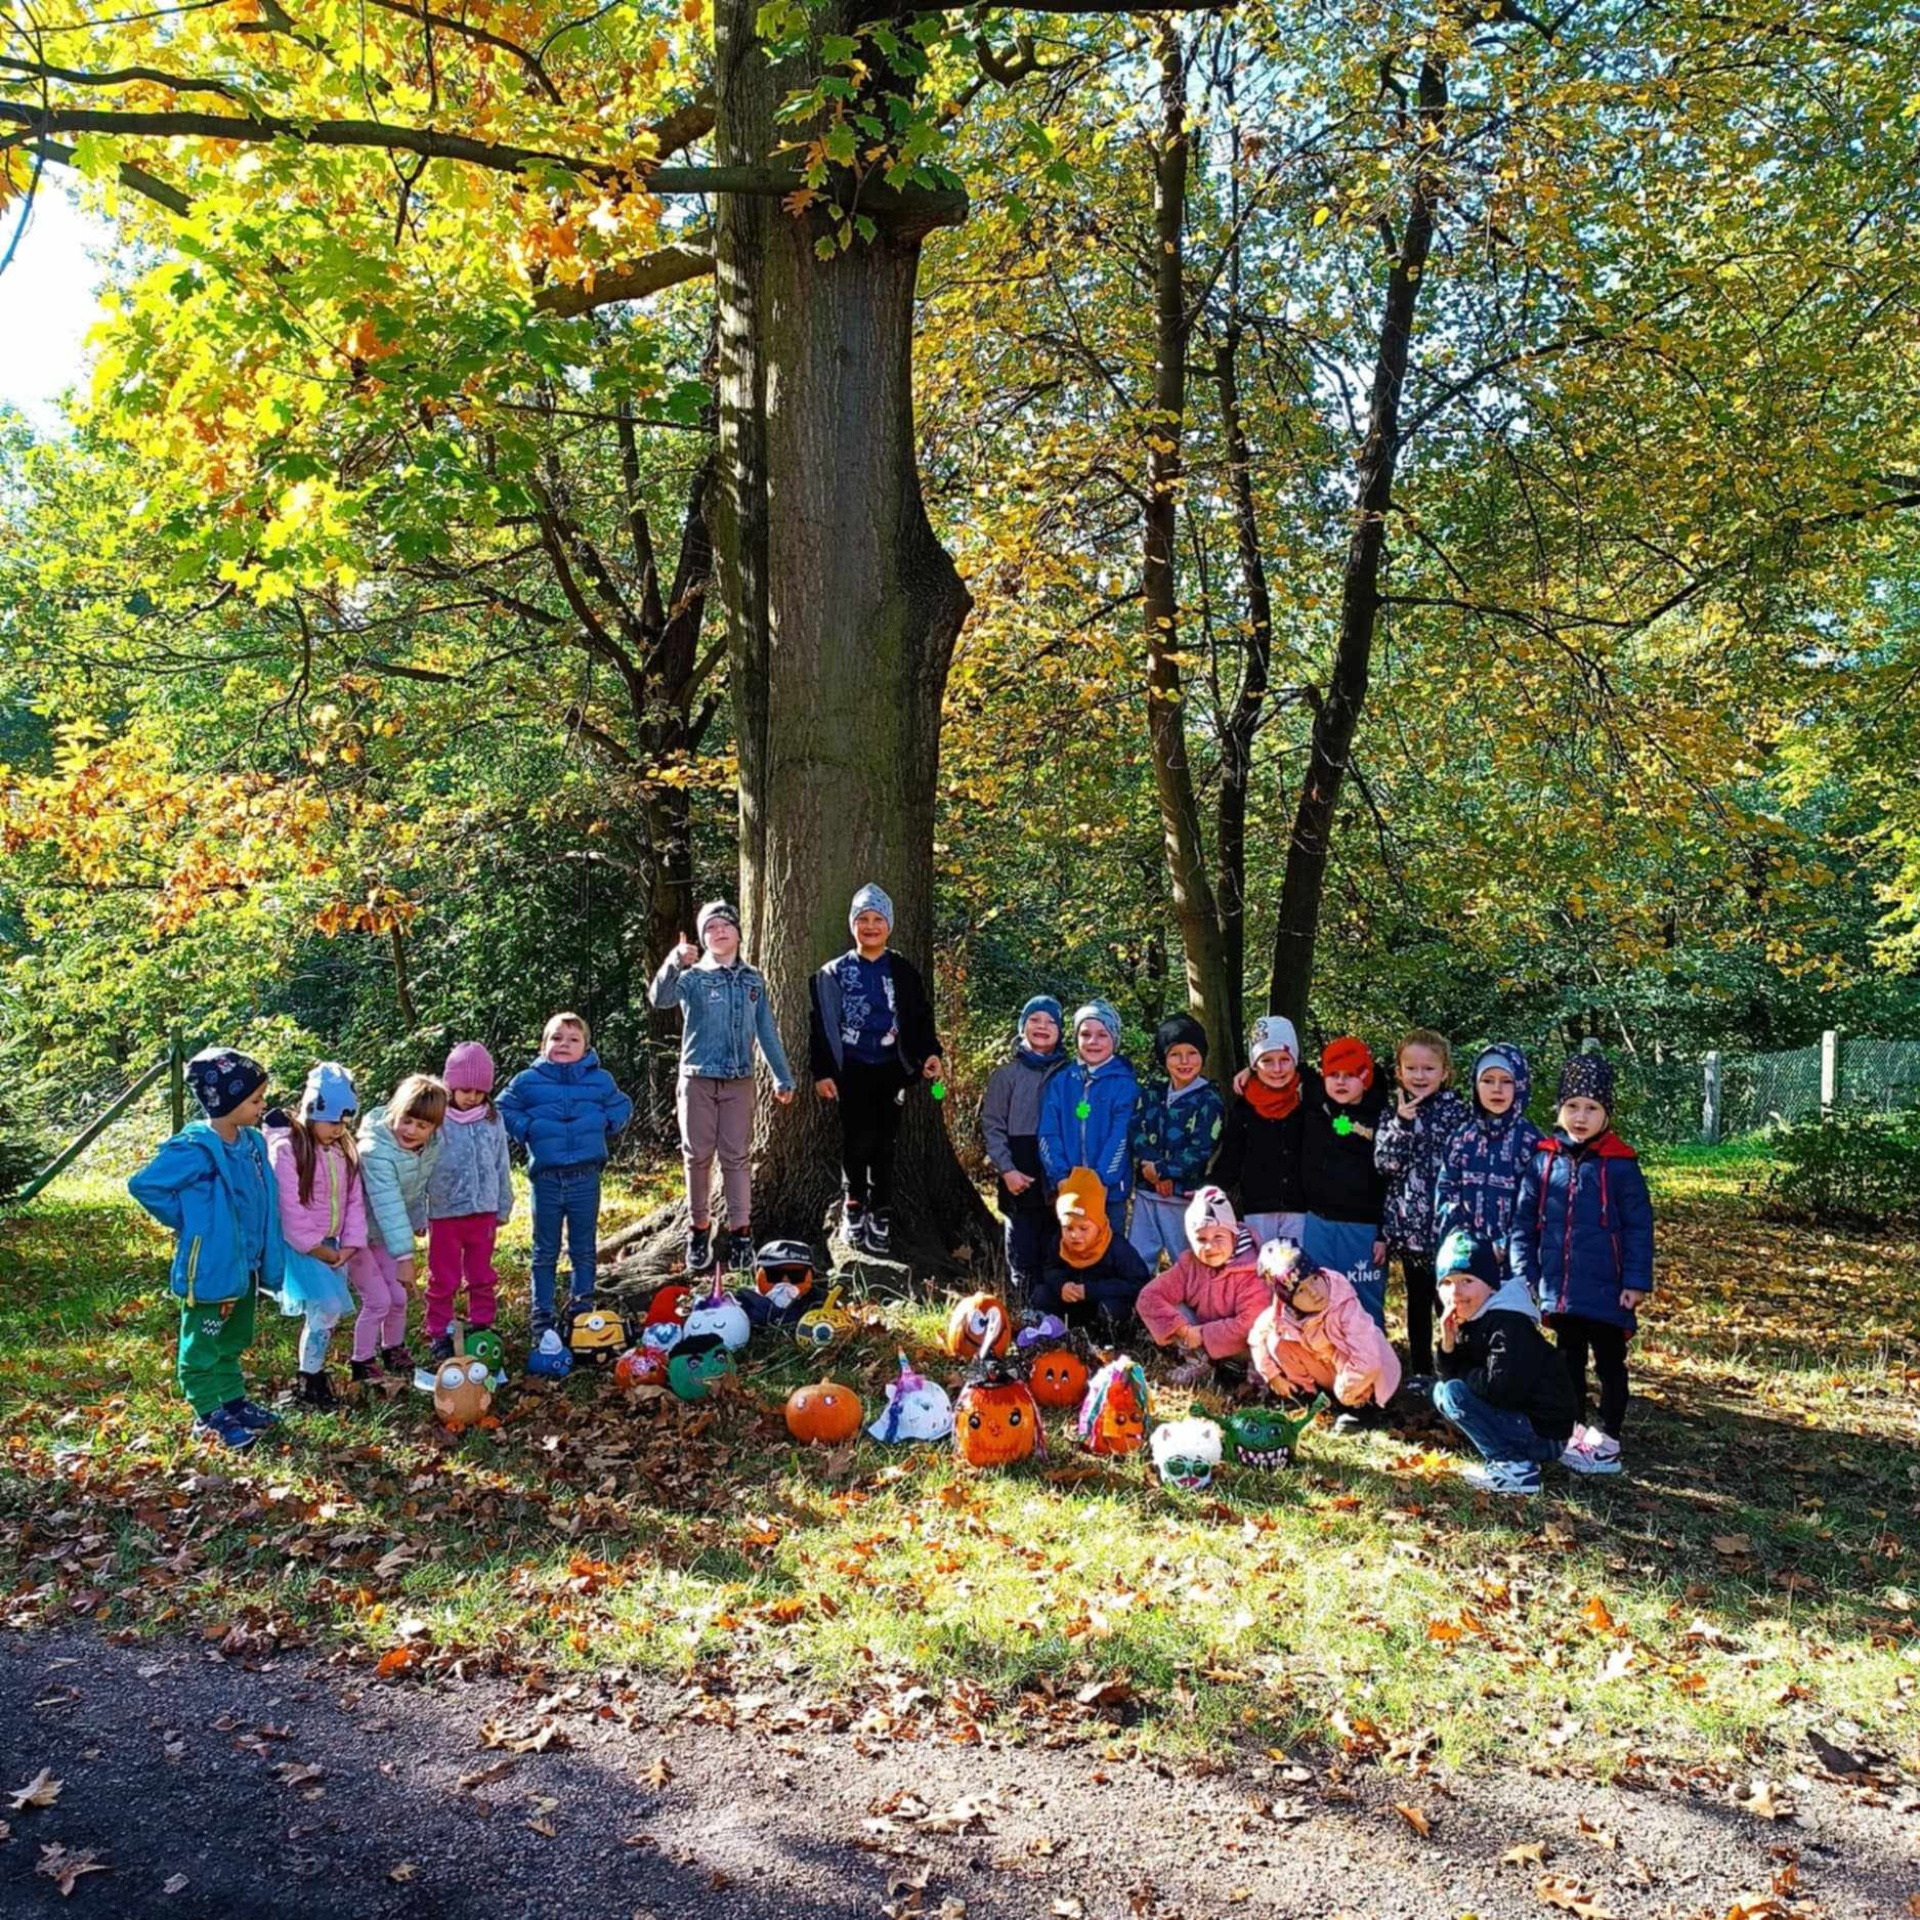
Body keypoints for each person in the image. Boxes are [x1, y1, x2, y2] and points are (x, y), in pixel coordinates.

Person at [127, 1046, 286, 1450]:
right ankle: (206, 1412)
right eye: (254, 1099)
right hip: (211, 1267)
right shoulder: (195, 1149)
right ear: (227, 1100)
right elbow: (145, 1185)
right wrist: (190, 1221)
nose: (262, 1105)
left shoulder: (250, 1143)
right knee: (203, 1340)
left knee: (233, 1336)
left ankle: (231, 1400)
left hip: (242, 1264)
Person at [1510, 1052, 1655, 1477]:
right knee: (1566, 1360)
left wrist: (1635, 1280)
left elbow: (1638, 1227)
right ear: (1558, 1109)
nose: (1580, 1116)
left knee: (1610, 1363)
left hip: (1609, 1288)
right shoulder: (1543, 1159)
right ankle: (1572, 1430)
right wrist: (1527, 1274)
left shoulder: (1622, 1165)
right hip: (1561, 1287)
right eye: (1572, 1106)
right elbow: (1523, 1222)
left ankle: (1608, 1436)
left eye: (1591, 1108)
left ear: (1606, 1113)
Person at [653, 901, 796, 1274]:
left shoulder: (753, 980)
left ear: (737, 932)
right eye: (710, 928)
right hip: (697, 1077)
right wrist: (674, 960)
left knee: (736, 1158)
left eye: (725, 925)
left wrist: (782, 1076)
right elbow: (660, 998)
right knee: (697, 1156)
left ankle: (741, 1235)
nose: (719, 932)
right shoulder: (693, 978)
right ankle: (698, 1229)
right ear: (703, 938)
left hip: (739, 1080)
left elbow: (765, 1030)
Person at [807, 883, 942, 1257]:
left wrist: (930, 1053)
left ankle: (881, 1211)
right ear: (852, 925)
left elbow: (920, 1018)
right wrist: (822, 1072)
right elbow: (819, 1026)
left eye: (878, 919)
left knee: (885, 1145)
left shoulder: (902, 970)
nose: (870, 926)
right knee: (856, 1141)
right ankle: (854, 1205)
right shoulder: (833, 973)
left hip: (890, 1069)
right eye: (863, 919)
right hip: (851, 1069)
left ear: (889, 925)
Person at [499, 1014, 633, 1335]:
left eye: (573, 1040)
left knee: (583, 1247)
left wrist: (605, 1122)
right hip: (545, 1179)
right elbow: (503, 1108)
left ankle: (582, 1310)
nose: (564, 1045)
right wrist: (527, 1128)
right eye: (556, 1038)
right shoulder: (527, 1080)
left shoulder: (600, 1080)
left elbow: (622, 1105)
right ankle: (542, 1313)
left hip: (586, 1177)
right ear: (543, 1045)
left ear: (586, 1048)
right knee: (545, 1249)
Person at [1431, 1228, 1578, 1497]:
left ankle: (1516, 1467)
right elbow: (1447, 1375)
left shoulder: (1509, 1323)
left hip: (1545, 1433)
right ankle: (1510, 1457)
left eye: (1467, 1280)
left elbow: (1502, 1390)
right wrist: (1448, 1344)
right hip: (1522, 1420)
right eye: (1447, 1282)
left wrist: (1461, 1371)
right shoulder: (1470, 1316)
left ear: (1490, 1284)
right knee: (1443, 1391)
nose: (1456, 1292)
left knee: (1453, 1393)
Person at [264, 1061, 366, 1410]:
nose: (339, 1129)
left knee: (327, 1314)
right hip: (305, 1248)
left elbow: (354, 1199)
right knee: (326, 1306)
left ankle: (314, 1375)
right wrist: (315, 1247)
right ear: (312, 1110)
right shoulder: (288, 1149)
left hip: (335, 1246)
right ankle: (308, 1383)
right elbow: (288, 1207)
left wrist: (351, 1244)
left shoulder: (340, 1150)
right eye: (333, 1120)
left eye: (344, 1122)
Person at [1372, 1028, 1471, 1384]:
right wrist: (1402, 1123)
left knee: (1451, 1304)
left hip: (1448, 1231)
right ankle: (1422, 1372)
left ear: (1444, 1072)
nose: (1419, 1076)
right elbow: (1384, 1164)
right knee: (1417, 1304)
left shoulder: (1459, 1113)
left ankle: (1455, 1370)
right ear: (1399, 1071)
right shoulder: (1391, 1115)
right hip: (1411, 1233)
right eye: (1411, 1068)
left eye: (1428, 1069)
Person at [353, 1073, 446, 1381]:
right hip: (358, 1235)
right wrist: (406, 1257)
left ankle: (392, 1347)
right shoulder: (375, 1151)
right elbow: (388, 1203)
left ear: (434, 1128)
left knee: (399, 1298)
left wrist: (418, 1220)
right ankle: (362, 1361)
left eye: (422, 1125)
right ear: (394, 1110)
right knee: (378, 1299)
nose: (412, 1130)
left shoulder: (429, 1146)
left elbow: (416, 1187)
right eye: (407, 1120)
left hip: (384, 1235)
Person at [425, 1043, 514, 1366]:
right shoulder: (436, 1119)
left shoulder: (493, 1118)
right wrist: (420, 1211)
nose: (471, 1097)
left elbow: (501, 1163)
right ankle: (439, 1331)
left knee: (482, 1273)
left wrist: (503, 1202)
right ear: (450, 1085)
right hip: (446, 1213)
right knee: (443, 1277)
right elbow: (423, 1166)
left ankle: (482, 1324)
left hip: (484, 1212)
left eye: (479, 1091)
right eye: (464, 1090)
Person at [1248, 1238, 1401, 1421]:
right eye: (1301, 1291)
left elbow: (1368, 1360)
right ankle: (1308, 1393)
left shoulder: (1344, 1304)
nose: (1314, 1292)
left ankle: (1365, 1406)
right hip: (1330, 1373)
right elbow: (1256, 1337)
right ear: (1288, 1300)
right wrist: (1272, 1375)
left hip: (1367, 1376)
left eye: (1313, 1279)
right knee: (1277, 1341)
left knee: (1350, 1350)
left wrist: (1344, 1394)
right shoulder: (1282, 1312)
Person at [980, 994, 1068, 1303]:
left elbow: (1082, 1115)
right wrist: (1007, 1169)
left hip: (1058, 1174)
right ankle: (1023, 1306)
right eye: (1034, 1020)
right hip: (1019, 1170)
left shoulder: (1069, 1074)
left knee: (1056, 1245)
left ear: (1060, 1031)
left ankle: (1054, 1311)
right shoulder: (1007, 1076)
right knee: (1022, 1245)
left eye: (1050, 1022)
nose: (1042, 1026)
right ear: (1022, 1026)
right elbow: (992, 1125)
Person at [1134, 1185, 1268, 1386]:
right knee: (1169, 1305)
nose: (1210, 1246)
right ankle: (1199, 1360)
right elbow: (1149, 1297)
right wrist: (1184, 1330)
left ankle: (1248, 1375)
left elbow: (1250, 1323)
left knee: (1261, 1333)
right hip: (1198, 1338)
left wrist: (1203, 1334)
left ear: (1233, 1235)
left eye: (1218, 1237)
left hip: (1245, 1347)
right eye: (1201, 1239)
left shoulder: (1252, 1269)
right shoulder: (1190, 1264)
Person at [1299, 1036, 1389, 1330]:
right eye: (1334, 1075)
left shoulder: (1383, 1118)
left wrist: (1384, 1233)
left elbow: (1390, 1179)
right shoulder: (1316, 1101)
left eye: (1350, 1075)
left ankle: (1373, 1360)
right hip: (1318, 1220)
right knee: (1318, 1294)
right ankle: (1322, 1359)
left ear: (1365, 1077)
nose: (1340, 1082)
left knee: (1364, 1298)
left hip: (1362, 1226)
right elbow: (1280, 1068)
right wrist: (1248, 1071)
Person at [1128, 1014, 1226, 1269]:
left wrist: (1164, 1171)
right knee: (1137, 1258)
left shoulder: (1209, 1099)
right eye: (1175, 1054)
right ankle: (1137, 1307)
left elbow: (1203, 1147)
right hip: (1147, 1194)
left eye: (1191, 1053)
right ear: (1164, 1058)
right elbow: (1136, 1129)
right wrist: (1151, 1167)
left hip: (1183, 1197)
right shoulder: (1152, 1092)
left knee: (1186, 1263)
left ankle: (1186, 1310)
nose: (1184, 1061)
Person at [1037, 999, 1141, 1239]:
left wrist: (1100, 1180)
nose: (1093, 1042)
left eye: (1102, 1035)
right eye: (1085, 1034)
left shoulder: (1124, 1084)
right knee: (1073, 1246)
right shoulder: (1062, 1082)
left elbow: (1121, 1136)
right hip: (1069, 1189)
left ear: (1114, 1038)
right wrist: (1061, 1176)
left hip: (1109, 1191)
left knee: (1110, 1249)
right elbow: (1048, 1132)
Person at [1433, 1042, 1542, 1269]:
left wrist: (1507, 1244)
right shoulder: (1461, 1138)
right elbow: (1446, 1194)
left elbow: (1537, 1206)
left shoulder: (1532, 1141)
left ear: (1520, 1085)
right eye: (1488, 1080)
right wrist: (1466, 1242)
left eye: (1506, 1081)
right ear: (1475, 1084)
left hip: (1516, 1265)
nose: (1496, 1089)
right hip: (1465, 1261)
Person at [1211, 1015, 1307, 1247]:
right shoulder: (1244, 1108)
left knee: (1295, 1273)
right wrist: (1212, 1189)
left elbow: (1337, 1118)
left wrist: (1345, 1129)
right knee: (1260, 1273)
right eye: (1267, 1061)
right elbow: (1232, 1155)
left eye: (1285, 1059)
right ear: (1254, 1064)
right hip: (1257, 1207)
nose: (1277, 1069)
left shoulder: (1308, 1098)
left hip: (1300, 1208)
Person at [1033, 1165, 1149, 1341]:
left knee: (1112, 1309)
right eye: (1068, 1228)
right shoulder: (1059, 1242)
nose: (1074, 1235)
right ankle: (1054, 1336)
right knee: (1041, 1295)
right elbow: (1050, 1268)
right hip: (1072, 1305)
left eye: (1083, 1228)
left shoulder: (1116, 1247)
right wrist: (1061, 1285)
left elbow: (1138, 1283)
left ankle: (1105, 1342)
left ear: (1098, 1222)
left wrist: (1090, 1290)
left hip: (1102, 1305)